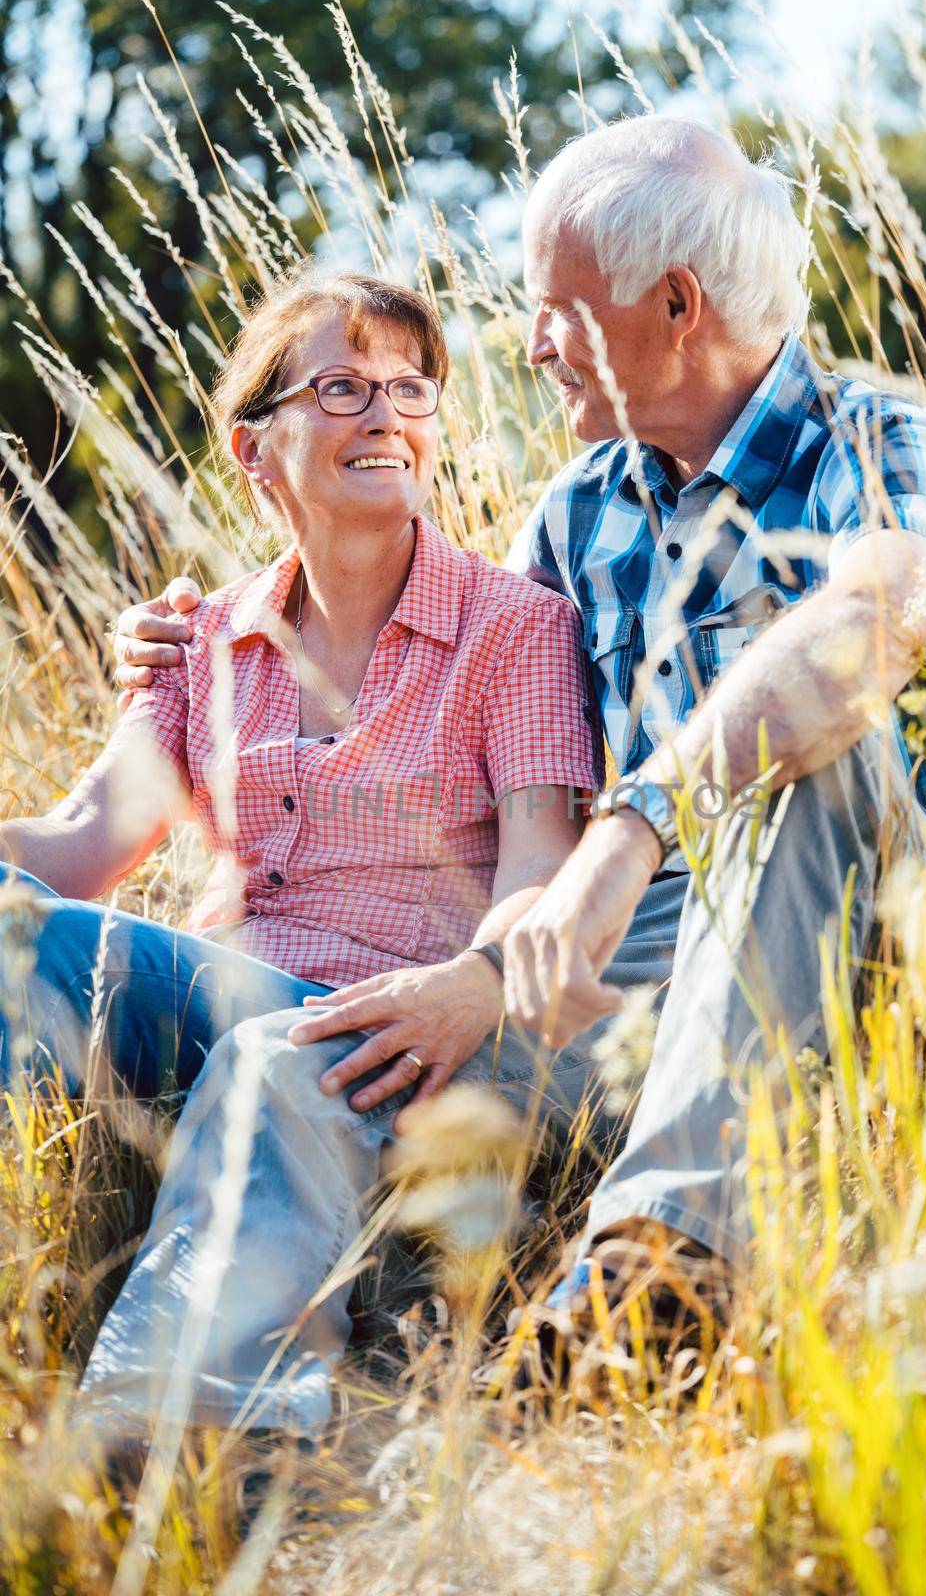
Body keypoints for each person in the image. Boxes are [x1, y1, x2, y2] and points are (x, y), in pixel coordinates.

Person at [113, 117, 926, 1400]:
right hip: (622, 964)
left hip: (869, 938)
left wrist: (633, 824)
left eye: (553, 311)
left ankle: (654, 1271)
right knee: (294, 1058)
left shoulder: (879, 437)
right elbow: (458, 693)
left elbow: (873, 615)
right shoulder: (580, 507)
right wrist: (200, 634)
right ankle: (184, 1434)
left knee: (806, 761)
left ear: (674, 306)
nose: (526, 346)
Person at [1, 267, 611, 1435]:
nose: (386, 413)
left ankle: (166, 1436)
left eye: (410, 388)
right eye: (341, 386)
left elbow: (539, 860)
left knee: (274, 1049)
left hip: (392, 1027)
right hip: (212, 1001)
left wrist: (469, 985)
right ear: (253, 446)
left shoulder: (518, 626)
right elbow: (82, 846)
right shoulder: (204, 639)